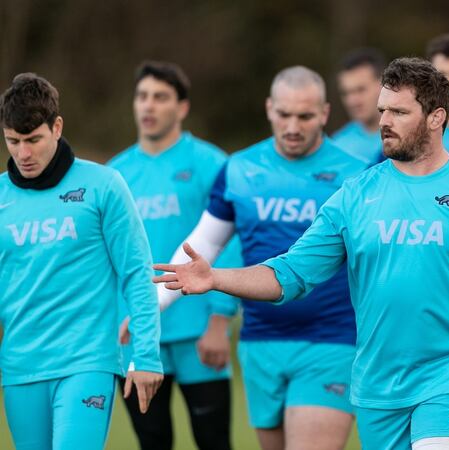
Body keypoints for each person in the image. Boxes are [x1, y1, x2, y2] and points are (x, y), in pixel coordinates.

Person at [154, 57, 449, 450]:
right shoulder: (355, 196)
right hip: (378, 387)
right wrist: (216, 278)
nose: (384, 121)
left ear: (435, 117)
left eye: (399, 112)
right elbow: (289, 275)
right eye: (382, 109)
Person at [154, 65, 368, 450]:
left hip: (333, 340)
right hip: (260, 342)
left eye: (304, 116)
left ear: (324, 113)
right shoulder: (238, 170)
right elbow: (202, 245)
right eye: (284, 114)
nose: (293, 126)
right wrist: (150, 307)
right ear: (269, 108)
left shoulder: (356, 174)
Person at [0, 73, 163, 450]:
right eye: (13, 141)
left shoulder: (103, 185)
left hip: (87, 362)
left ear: (56, 127)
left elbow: (137, 273)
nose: (23, 154)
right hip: (21, 367)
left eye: (33, 140)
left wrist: (147, 355)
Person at [109, 61, 240, 450]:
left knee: (214, 442)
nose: (148, 106)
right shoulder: (114, 174)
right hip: (135, 332)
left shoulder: (212, 163)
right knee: (152, 443)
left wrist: (220, 320)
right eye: (142, 96)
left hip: (199, 332)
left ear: (181, 107)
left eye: (160, 97)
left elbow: (229, 242)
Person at [332, 47, 386, 163]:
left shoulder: (408, 135)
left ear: (383, 84)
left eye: (360, 90)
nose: (352, 101)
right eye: (346, 93)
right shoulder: (338, 146)